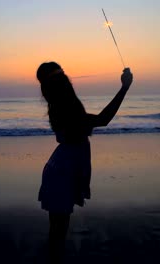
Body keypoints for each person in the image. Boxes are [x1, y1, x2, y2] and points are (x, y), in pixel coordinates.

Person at [37, 62, 133, 263]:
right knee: (58, 233)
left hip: (61, 169)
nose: (67, 78)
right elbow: (103, 119)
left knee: (57, 231)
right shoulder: (64, 110)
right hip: (62, 173)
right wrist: (124, 87)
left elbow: (94, 121)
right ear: (61, 82)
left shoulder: (61, 107)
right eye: (62, 76)